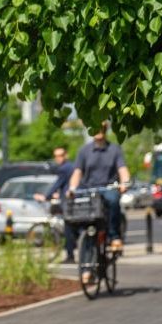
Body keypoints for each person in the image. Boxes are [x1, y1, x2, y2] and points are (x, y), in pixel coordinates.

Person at [67, 121, 130, 283]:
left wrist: (124, 183)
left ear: (106, 130)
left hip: (108, 188)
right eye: (95, 127)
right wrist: (72, 188)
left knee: (114, 199)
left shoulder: (114, 149)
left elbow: (122, 170)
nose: (99, 131)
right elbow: (77, 172)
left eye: (102, 128)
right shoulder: (84, 151)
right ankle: (87, 269)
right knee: (86, 229)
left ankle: (115, 236)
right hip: (89, 190)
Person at [34, 146, 75, 261]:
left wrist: (45, 196)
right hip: (71, 198)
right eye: (56, 156)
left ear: (65, 155)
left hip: (68, 201)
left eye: (60, 155)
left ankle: (70, 255)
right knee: (72, 227)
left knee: (68, 228)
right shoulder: (71, 167)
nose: (58, 158)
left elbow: (57, 184)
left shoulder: (64, 168)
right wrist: (58, 194)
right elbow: (65, 185)